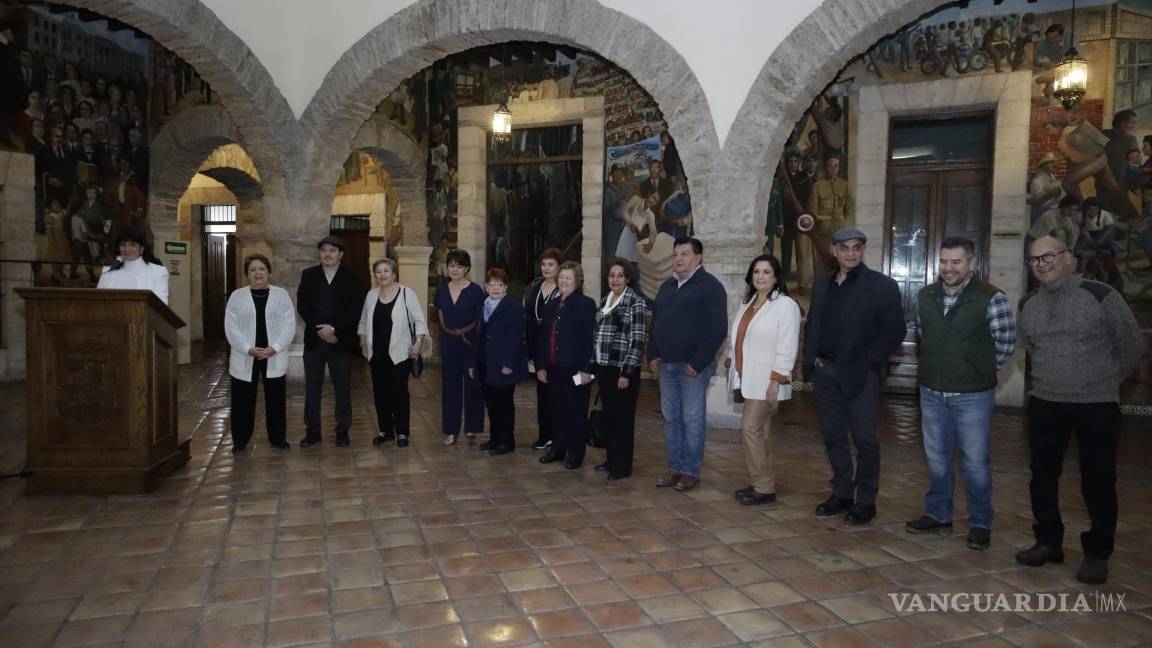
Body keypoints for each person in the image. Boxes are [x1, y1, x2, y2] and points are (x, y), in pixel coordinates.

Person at [1016, 235, 1143, 584]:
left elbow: (1131, 345)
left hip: (1097, 404)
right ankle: (1048, 542)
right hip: (1045, 402)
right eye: (1035, 260)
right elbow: (1028, 346)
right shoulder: (1028, 304)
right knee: (1042, 476)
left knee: (1099, 479)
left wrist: (1104, 381)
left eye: (1049, 257)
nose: (1043, 265)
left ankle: (1097, 553)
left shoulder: (1102, 296)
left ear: (1068, 258)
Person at [905, 238, 1016, 551]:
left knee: (975, 463)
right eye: (943, 262)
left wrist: (977, 369)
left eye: (956, 262)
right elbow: (923, 335)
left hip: (972, 396)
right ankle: (939, 515)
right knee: (937, 459)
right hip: (931, 392)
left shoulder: (991, 297)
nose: (949, 268)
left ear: (971, 263)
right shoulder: (925, 295)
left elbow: (1006, 343)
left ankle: (980, 522)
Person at [802, 228, 904, 525]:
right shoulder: (821, 285)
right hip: (826, 371)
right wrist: (814, 359)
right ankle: (843, 492)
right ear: (834, 250)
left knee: (865, 439)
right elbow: (814, 325)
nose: (850, 253)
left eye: (856, 248)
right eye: (844, 248)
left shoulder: (881, 286)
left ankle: (866, 500)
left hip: (861, 374)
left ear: (863, 250)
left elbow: (894, 331)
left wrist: (869, 361)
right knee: (833, 435)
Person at [647, 237, 728, 492]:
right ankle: (675, 467)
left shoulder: (710, 286)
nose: (678, 259)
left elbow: (717, 330)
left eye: (684, 254)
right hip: (667, 365)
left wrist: (699, 362)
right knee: (672, 418)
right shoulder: (667, 286)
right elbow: (657, 324)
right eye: (675, 254)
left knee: (692, 418)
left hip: (692, 367)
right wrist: (653, 353)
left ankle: (691, 471)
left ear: (698, 258)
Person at [726, 254, 800, 505]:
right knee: (761, 433)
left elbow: (788, 346)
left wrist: (777, 379)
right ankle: (760, 482)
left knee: (750, 429)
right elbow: (738, 337)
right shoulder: (749, 303)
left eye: (766, 272)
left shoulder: (785, 305)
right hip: (747, 378)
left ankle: (764, 487)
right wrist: (731, 362)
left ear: (776, 277)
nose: (760, 276)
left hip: (766, 381)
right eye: (756, 271)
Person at [296, 235, 364, 448]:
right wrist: (320, 329)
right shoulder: (309, 275)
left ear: (340, 255)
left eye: (332, 250)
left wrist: (333, 328)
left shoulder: (352, 278)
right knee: (312, 388)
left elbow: (355, 309)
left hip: (340, 341)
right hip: (314, 341)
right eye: (324, 250)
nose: (327, 254)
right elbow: (302, 305)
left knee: (342, 387)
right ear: (320, 253)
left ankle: (343, 430)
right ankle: (313, 430)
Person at [224, 255, 296, 453]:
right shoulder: (236, 296)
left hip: (274, 354)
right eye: (253, 269)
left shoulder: (281, 295)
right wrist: (248, 348)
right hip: (245, 355)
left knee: (276, 399)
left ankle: (277, 438)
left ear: (268, 272)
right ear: (247, 274)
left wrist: (276, 347)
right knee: (242, 400)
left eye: (262, 269)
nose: (257, 273)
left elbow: (289, 325)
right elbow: (231, 328)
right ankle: (240, 440)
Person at [358, 258, 427, 449]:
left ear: (394, 273)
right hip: (376, 353)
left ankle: (402, 432)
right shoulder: (371, 295)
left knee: (399, 393)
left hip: (400, 353)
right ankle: (386, 431)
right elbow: (363, 320)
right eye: (378, 272)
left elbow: (420, 320)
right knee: (380, 393)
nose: (382, 275)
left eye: (386, 271)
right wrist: (363, 341)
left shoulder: (407, 293)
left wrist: (418, 343)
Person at [535, 261, 597, 469]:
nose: (564, 281)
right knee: (557, 410)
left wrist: (586, 369)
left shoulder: (586, 304)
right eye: (561, 277)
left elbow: (589, 340)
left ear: (577, 281)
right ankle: (558, 448)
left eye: (569, 278)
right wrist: (541, 366)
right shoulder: (551, 305)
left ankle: (575, 453)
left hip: (576, 369)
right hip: (553, 367)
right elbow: (543, 338)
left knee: (576, 411)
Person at [592, 259, 647, 480]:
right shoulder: (606, 300)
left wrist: (627, 372)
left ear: (628, 278)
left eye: (620, 275)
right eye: (612, 275)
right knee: (610, 417)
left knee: (623, 420)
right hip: (605, 367)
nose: (615, 279)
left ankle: (621, 467)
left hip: (623, 370)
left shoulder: (635, 303)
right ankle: (611, 459)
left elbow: (637, 340)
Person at [474, 268, 527, 456]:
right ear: (486, 287)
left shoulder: (512, 306)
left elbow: (514, 338)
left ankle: (506, 442)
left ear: (506, 287)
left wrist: (508, 364)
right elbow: (480, 336)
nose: (495, 288)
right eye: (492, 284)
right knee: (492, 403)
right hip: (486, 363)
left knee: (504, 405)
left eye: (500, 284)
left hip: (503, 365)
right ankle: (495, 438)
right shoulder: (485, 304)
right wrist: (475, 363)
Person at [434, 249, 485, 446]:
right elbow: (438, 317)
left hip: (471, 341)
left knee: (473, 383)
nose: (455, 269)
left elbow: (481, 320)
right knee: (450, 386)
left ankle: (472, 426)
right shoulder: (442, 289)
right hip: (448, 342)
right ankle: (451, 430)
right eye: (452, 265)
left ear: (467, 268)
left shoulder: (475, 291)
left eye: (459, 266)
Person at [523, 248, 563, 450]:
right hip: (536, 346)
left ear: (559, 267)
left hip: (555, 348)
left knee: (556, 393)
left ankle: (557, 436)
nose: (546, 268)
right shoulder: (534, 286)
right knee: (542, 392)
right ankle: (544, 434)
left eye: (551, 265)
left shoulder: (564, 288)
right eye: (544, 264)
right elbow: (527, 314)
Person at [96, 228, 169, 303]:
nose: (127, 249)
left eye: (132, 245)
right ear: (118, 248)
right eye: (123, 244)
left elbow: (161, 305)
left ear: (142, 248)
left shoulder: (158, 272)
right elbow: (97, 302)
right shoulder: (107, 271)